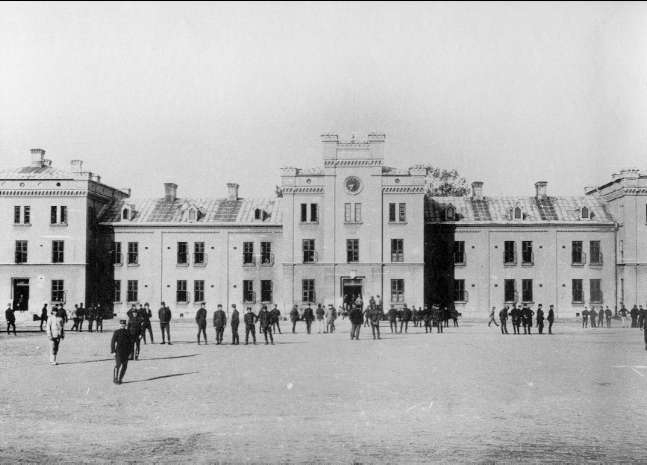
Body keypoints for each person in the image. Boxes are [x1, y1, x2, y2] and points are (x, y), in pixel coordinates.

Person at [111, 320, 131, 384]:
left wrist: (130, 353)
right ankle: (115, 378)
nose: (122, 325)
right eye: (121, 324)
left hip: (126, 352)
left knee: (125, 366)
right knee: (118, 365)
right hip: (118, 351)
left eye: (124, 324)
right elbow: (113, 342)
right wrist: (113, 351)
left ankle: (120, 379)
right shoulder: (116, 332)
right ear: (119, 325)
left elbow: (130, 344)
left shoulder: (128, 332)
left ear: (125, 325)